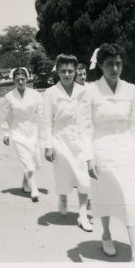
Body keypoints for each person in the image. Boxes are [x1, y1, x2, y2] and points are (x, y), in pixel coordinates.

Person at [78, 43, 135, 262]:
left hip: (126, 150)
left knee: (132, 200)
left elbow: (133, 125)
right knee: (106, 197)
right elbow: (84, 127)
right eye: (110, 64)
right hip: (101, 150)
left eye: (118, 63)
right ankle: (106, 234)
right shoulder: (90, 91)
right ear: (100, 66)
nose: (115, 68)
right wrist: (88, 157)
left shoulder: (129, 89)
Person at [42, 54, 92, 232]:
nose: (67, 74)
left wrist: (90, 143)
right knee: (64, 175)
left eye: (70, 70)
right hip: (60, 140)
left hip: (80, 140)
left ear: (75, 71)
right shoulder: (50, 93)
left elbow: (87, 119)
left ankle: (83, 215)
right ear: (58, 71)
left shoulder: (84, 91)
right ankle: (63, 197)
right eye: (63, 70)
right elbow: (46, 121)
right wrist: (48, 145)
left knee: (83, 178)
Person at [2, 67, 43, 202]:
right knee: (26, 160)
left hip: (32, 130)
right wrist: (6, 133)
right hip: (18, 132)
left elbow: (42, 112)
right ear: (13, 80)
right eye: (17, 79)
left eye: (23, 79)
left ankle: (25, 183)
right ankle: (34, 188)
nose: (20, 82)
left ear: (27, 79)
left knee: (31, 160)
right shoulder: (9, 96)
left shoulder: (35, 94)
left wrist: (46, 128)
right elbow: (7, 116)